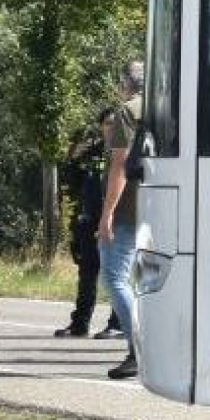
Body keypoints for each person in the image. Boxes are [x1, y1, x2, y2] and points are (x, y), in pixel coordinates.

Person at [97, 60, 145, 380]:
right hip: (154, 205)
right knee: (145, 281)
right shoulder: (160, 107)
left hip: (127, 209)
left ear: (126, 82)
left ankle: (138, 351)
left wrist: (107, 214)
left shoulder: (127, 112)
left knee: (115, 277)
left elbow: (119, 165)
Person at [55, 120, 123, 339]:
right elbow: (72, 182)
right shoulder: (91, 152)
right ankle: (80, 323)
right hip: (88, 218)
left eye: (114, 124)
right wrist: (74, 156)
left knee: (115, 273)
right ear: (101, 127)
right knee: (87, 272)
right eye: (107, 124)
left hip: (115, 219)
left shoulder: (124, 151)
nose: (111, 128)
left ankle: (117, 323)